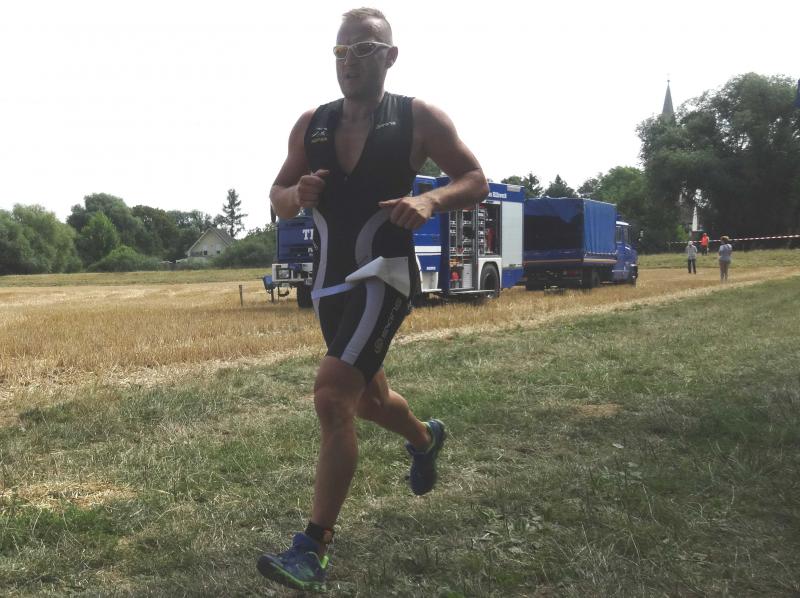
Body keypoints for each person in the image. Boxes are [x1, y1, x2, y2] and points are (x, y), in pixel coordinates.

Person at [258, 8, 489, 591]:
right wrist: (296, 194)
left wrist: (431, 200)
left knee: (333, 396)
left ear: (390, 55)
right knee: (368, 401)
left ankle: (313, 547)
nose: (349, 62)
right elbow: (277, 196)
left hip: (385, 275)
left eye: (363, 49)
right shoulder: (312, 124)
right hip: (329, 284)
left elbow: (476, 180)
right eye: (341, 52)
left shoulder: (418, 118)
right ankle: (424, 437)